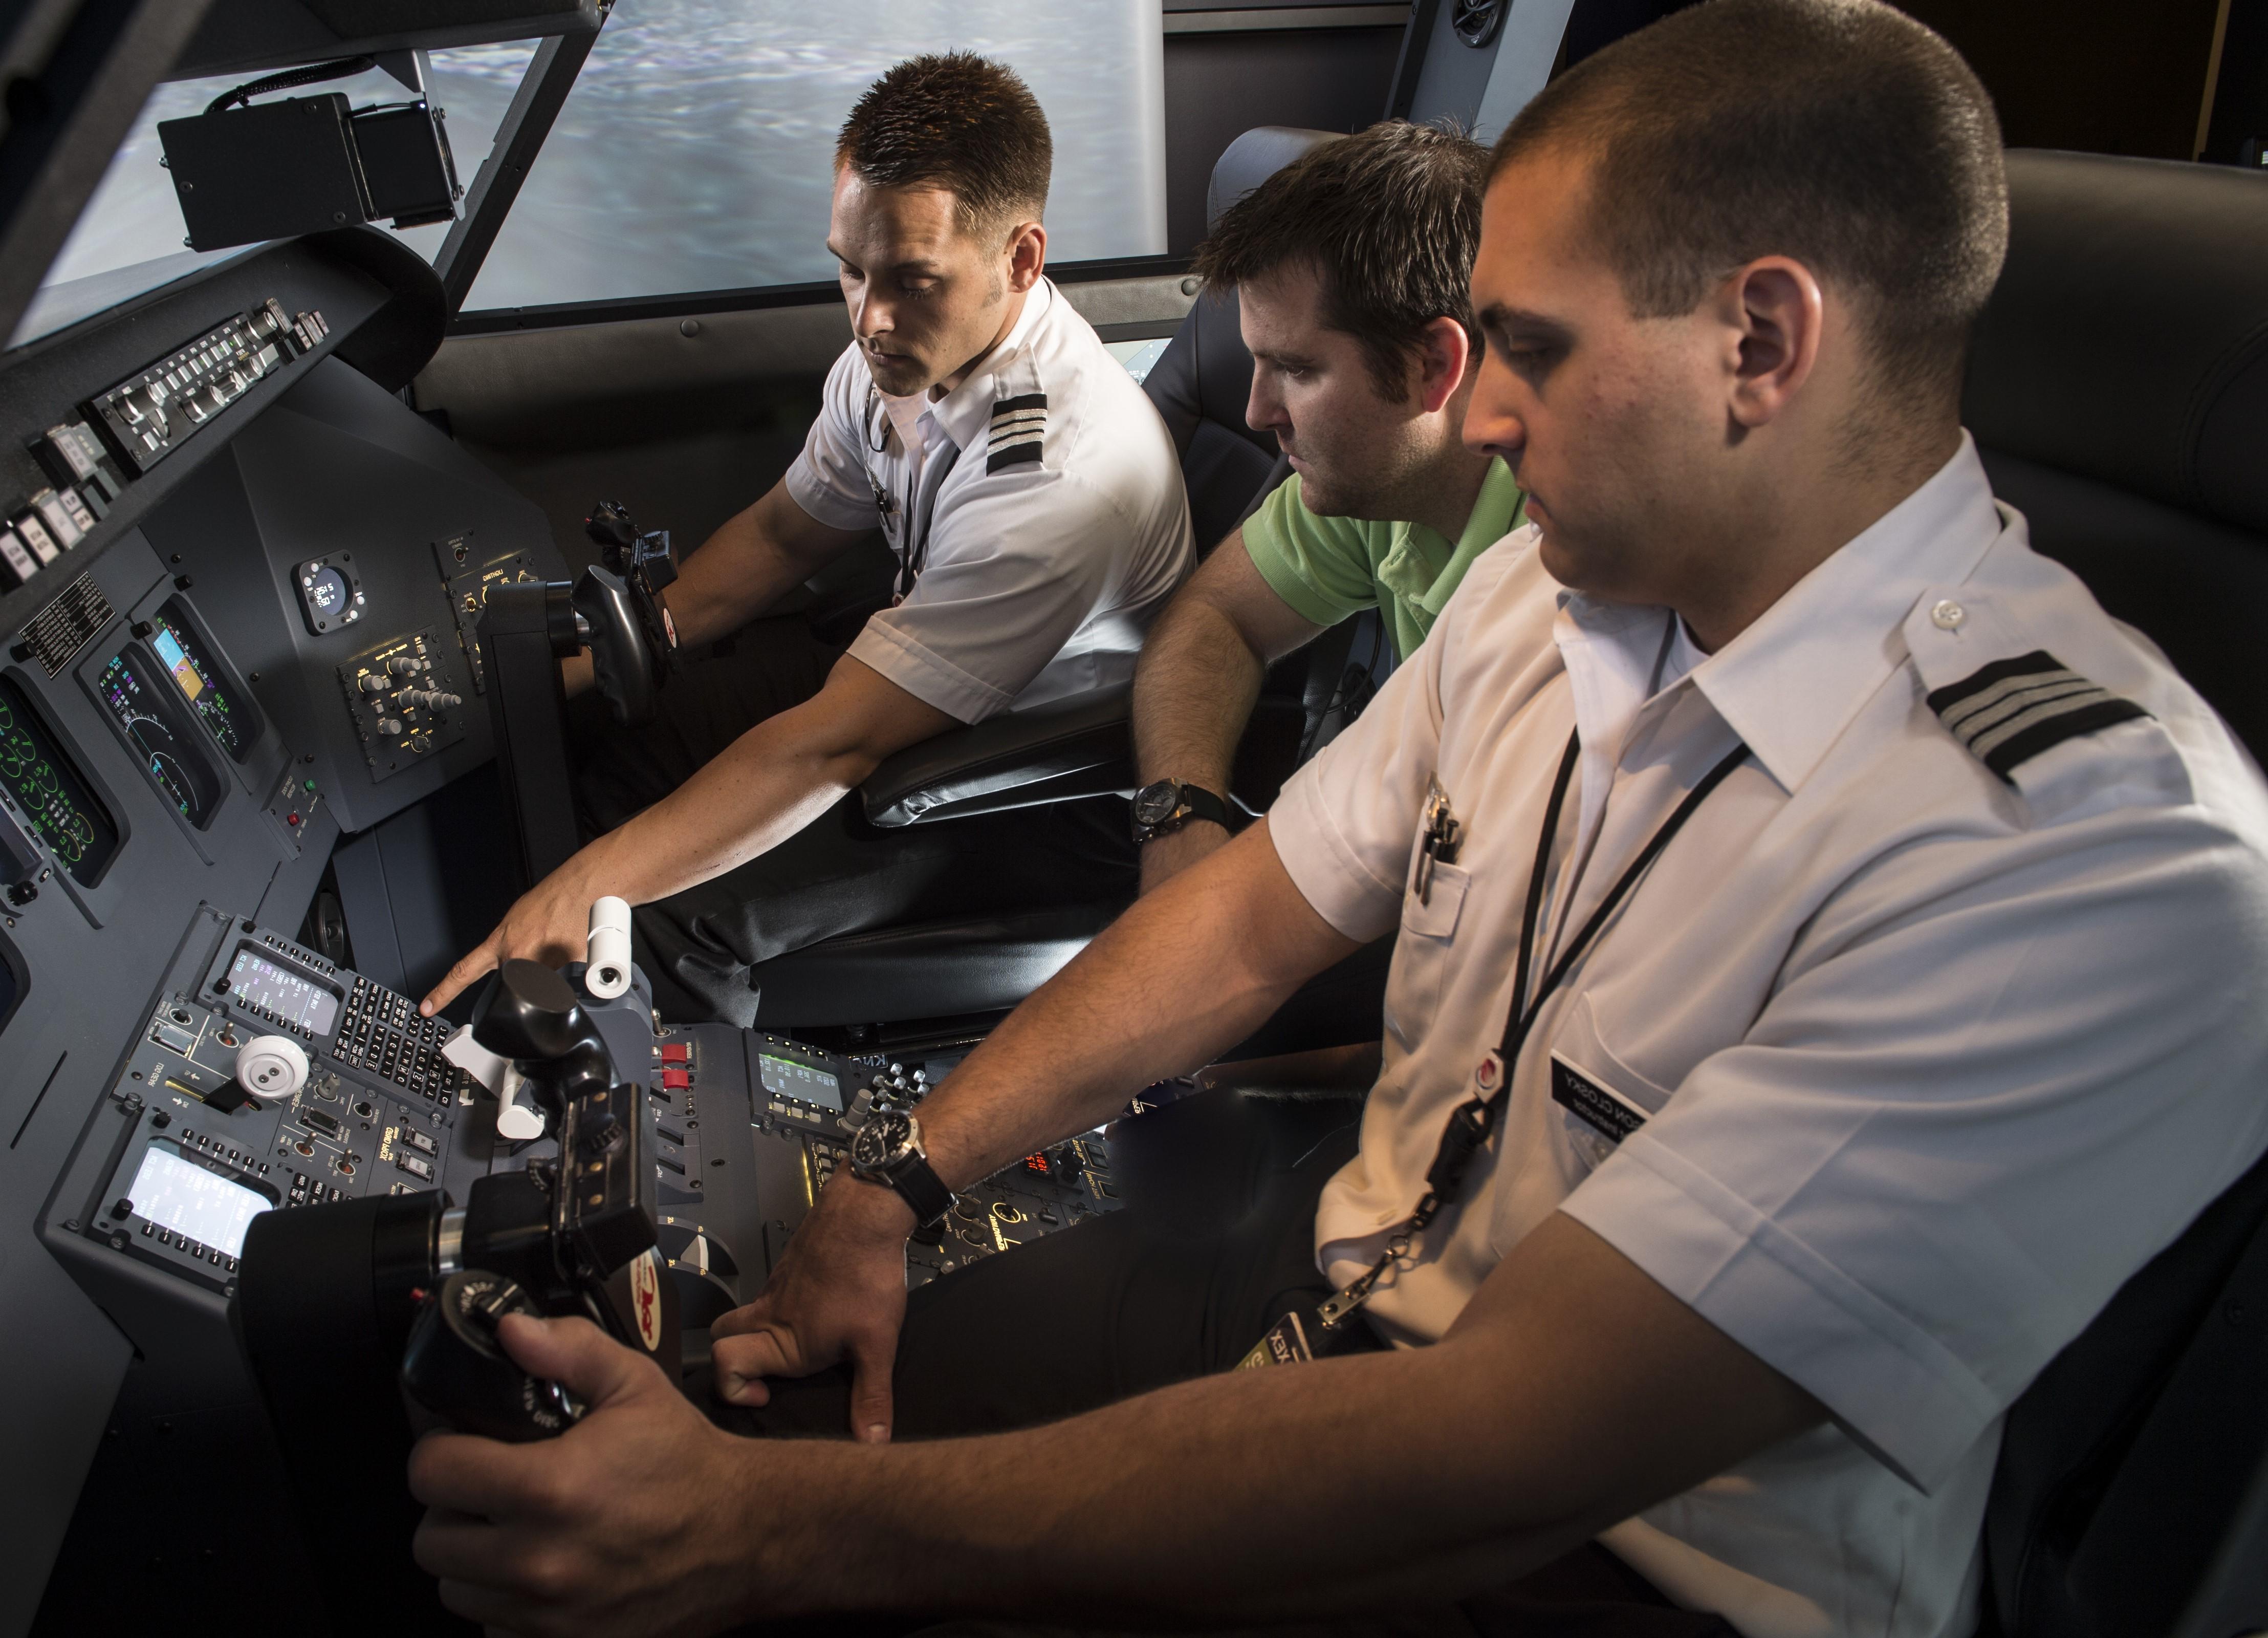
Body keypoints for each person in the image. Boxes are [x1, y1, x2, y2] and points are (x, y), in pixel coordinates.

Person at [403, 5, 2268, 1636]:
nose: (1487, 410)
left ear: (1759, 344)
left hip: (1609, 1565)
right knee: (751, 1386)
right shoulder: (1547, 592)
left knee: (763, 1537)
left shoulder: (2095, 855)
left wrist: (771, 1546)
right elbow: (1242, 927)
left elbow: (1504, 1449)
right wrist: (905, 1187)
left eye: (1525, 345)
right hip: (1335, 1285)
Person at [419, 53, 1192, 1025]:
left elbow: (830, 749)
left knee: (647, 928)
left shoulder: (1058, 481)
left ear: (1021, 260)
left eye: (912, 280)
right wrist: (616, 658)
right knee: (626, 741)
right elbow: (787, 535)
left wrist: (587, 893)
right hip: (912, 682)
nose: (869, 318)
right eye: (850, 267)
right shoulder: (899, 355)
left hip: (1030, 778)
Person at [1130, 121, 1526, 893]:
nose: (1254, 411)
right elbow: (1216, 618)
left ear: (1433, 366)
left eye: (1296, 370)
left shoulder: (1555, 577)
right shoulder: (1374, 488)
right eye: (1256, 361)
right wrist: (1181, 819)